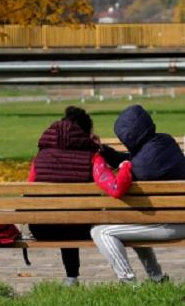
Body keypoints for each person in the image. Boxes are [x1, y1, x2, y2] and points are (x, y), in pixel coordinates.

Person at [27, 106, 132, 286]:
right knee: (74, 216)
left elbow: (29, 191)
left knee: (61, 215)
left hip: (42, 228)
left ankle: (71, 278)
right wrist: (125, 166)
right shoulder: (92, 157)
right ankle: (130, 276)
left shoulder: (40, 157)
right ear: (86, 133)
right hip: (81, 227)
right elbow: (115, 189)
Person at [91, 104, 185, 284]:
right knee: (134, 222)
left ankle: (128, 283)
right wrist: (103, 149)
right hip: (180, 217)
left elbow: (124, 177)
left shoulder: (141, 166)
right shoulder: (166, 141)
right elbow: (133, 160)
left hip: (171, 225)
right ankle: (157, 278)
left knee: (101, 231)